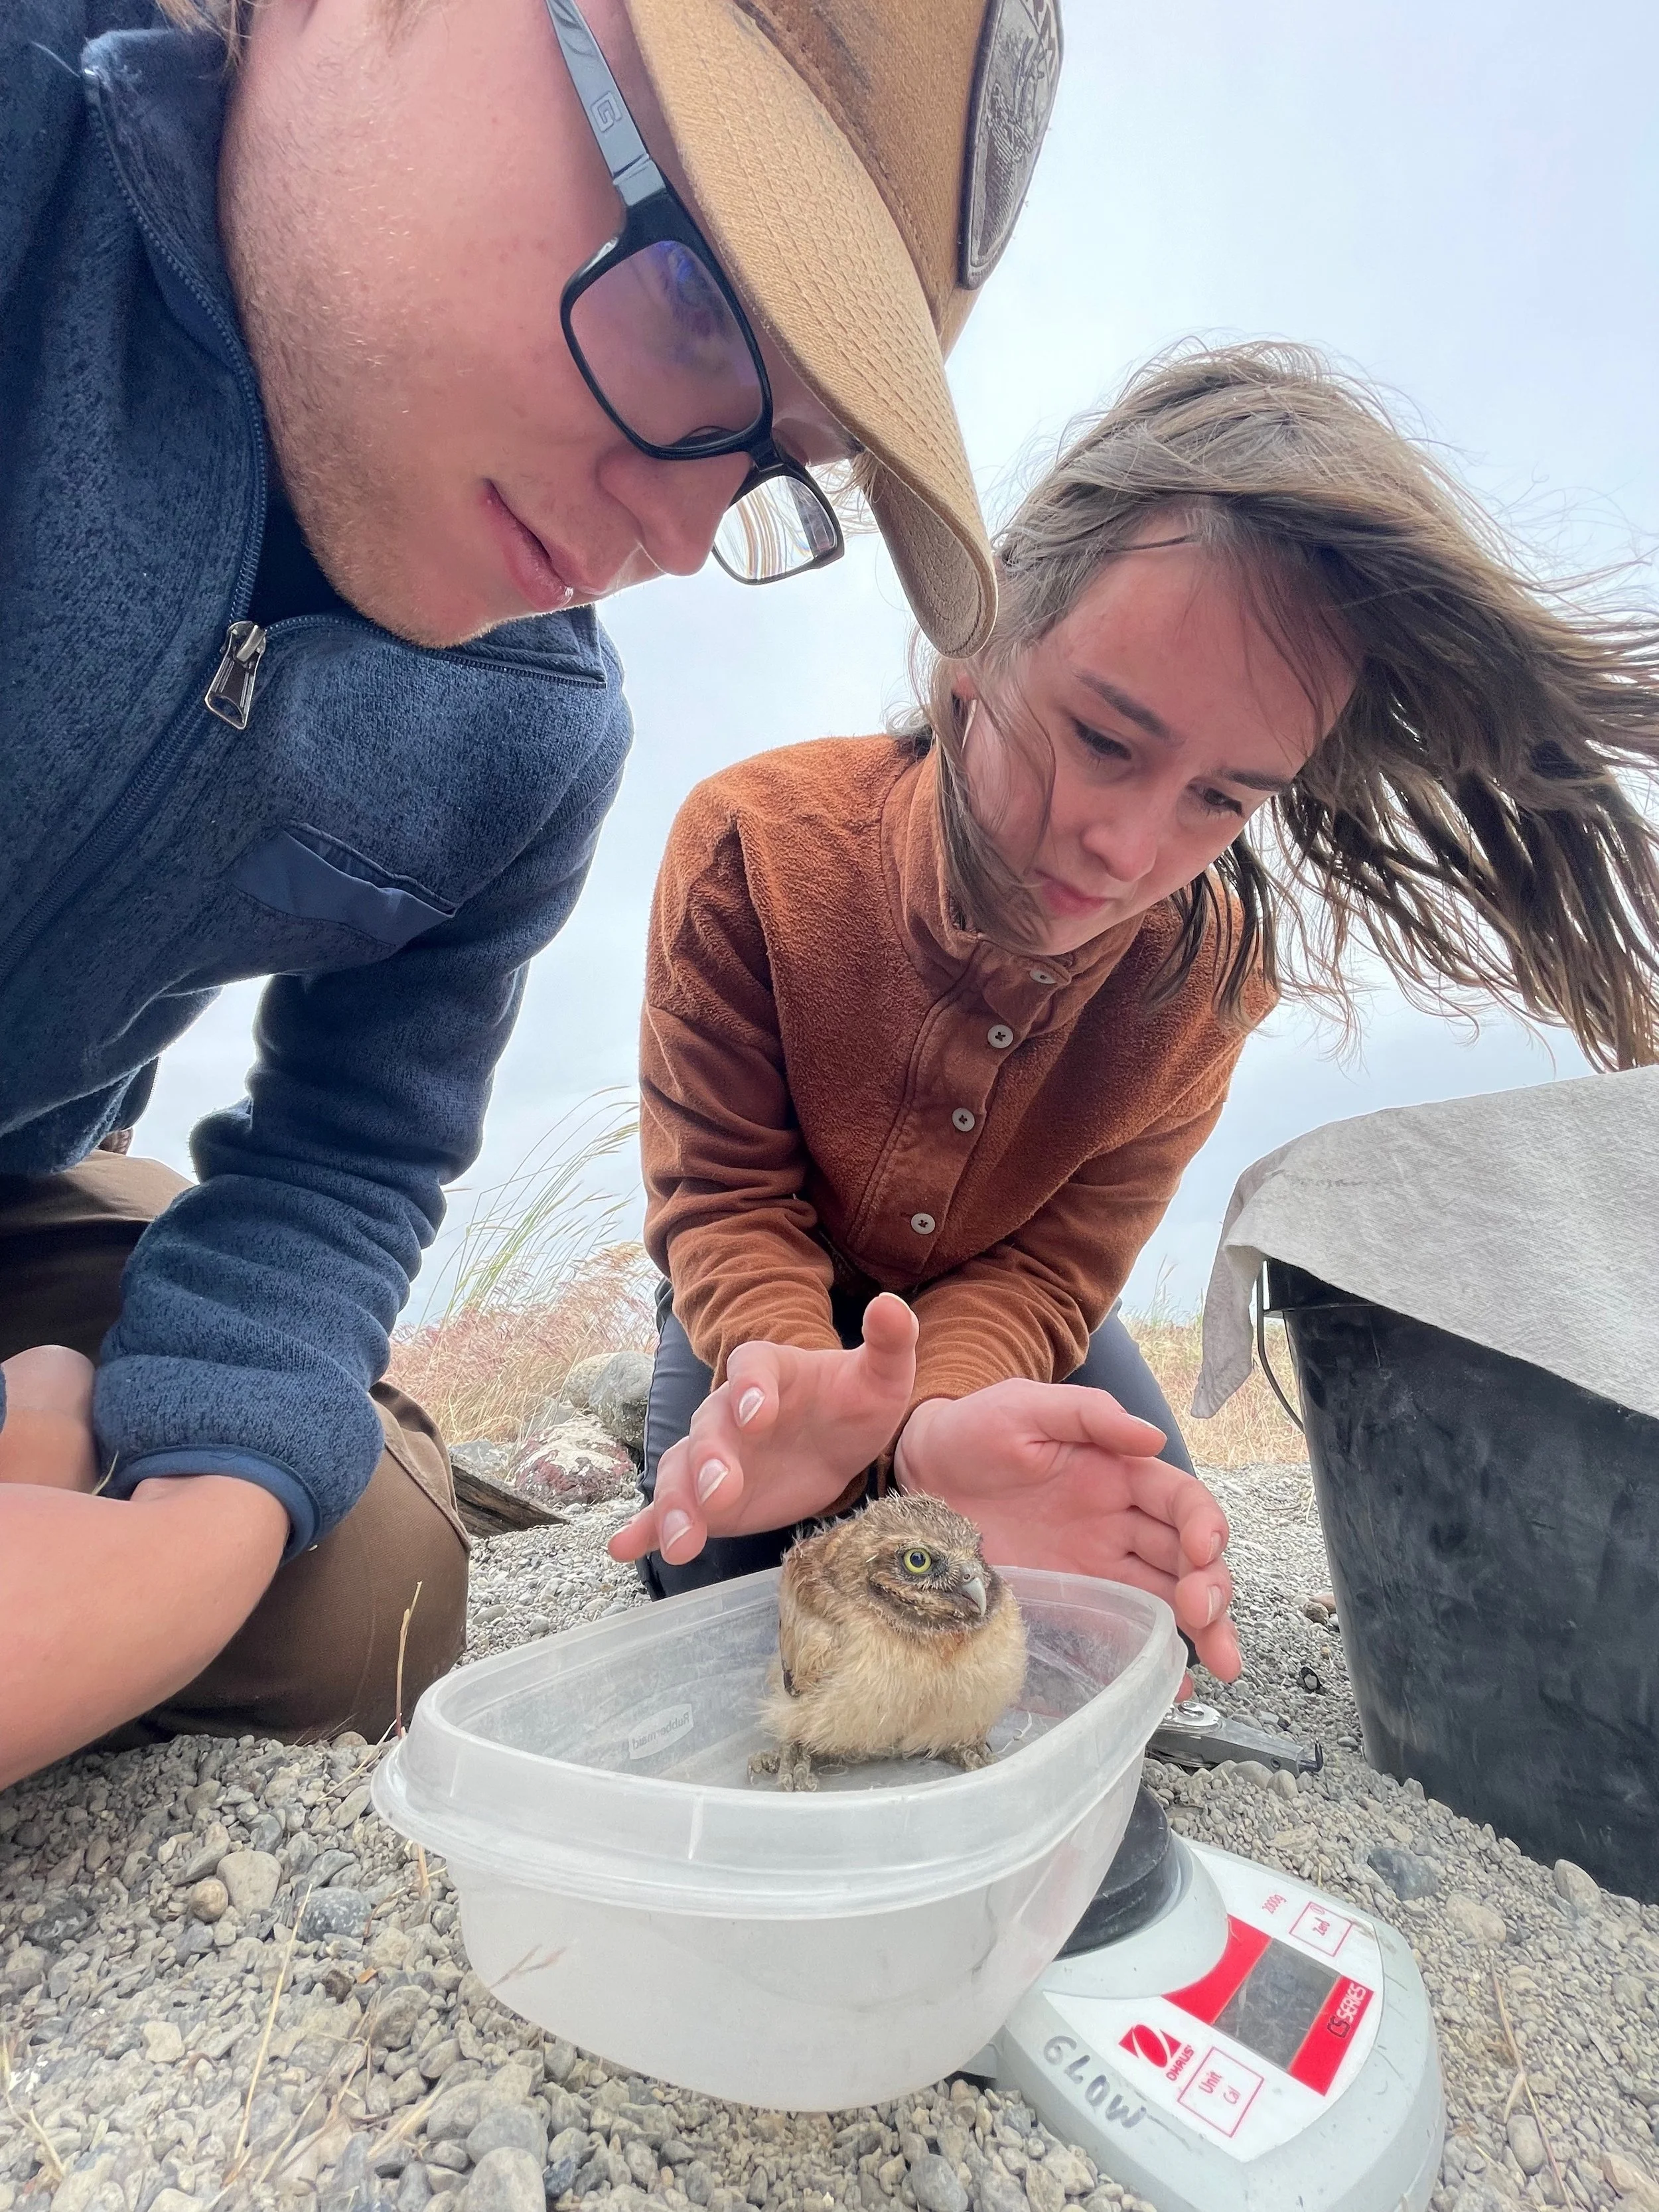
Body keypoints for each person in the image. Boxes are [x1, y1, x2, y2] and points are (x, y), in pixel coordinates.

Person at [0, 0, 1067, 1787]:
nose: (667, 533)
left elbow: (346, 1157)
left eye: (773, 463)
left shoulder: (536, 735)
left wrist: (191, 1539)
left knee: (376, 1585)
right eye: (696, 307)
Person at [613, 340, 1659, 1672]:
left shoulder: (1205, 983)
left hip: (1007, 1314)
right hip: (771, 1301)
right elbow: (724, 1195)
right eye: (1105, 738)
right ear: (973, 642)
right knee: (728, 1604)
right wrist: (784, 1362)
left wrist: (933, 1426)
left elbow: (1049, 1268)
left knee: (1125, 1616)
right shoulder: (748, 846)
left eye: (1220, 799)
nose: (1126, 849)